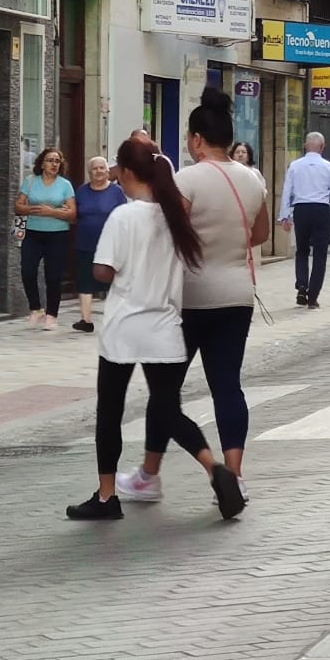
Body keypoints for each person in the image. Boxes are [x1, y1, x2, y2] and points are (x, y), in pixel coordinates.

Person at [67, 137, 245, 523]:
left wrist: (103, 269)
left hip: (123, 328)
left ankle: (107, 496)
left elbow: (104, 271)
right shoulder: (175, 218)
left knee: (110, 411)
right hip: (164, 327)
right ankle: (215, 467)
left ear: (127, 173)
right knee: (167, 409)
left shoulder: (123, 216)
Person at [119, 88, 270, 503]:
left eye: (189, 137)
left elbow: (166, 232)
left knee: (166, 390)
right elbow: (260, 235)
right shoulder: (253, 179)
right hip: (237, 295)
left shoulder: (187, 178)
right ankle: (235, 475)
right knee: (227, 386)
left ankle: (149, 475)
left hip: (187, 298)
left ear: (198, 139)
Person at [279, 131, 330, 308]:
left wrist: (284, 215)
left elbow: (287, 191)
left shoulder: (295, 166)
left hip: (301, 209)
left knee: (301, 250)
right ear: (322, 147)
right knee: (320, 254)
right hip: (321, 209)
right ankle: (313, 296)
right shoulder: (328, 167)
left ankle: (302, 286)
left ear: (305, 146)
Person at [16, 147, 77, 329]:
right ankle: (36, 308)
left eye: (57, 161)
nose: (54, 164)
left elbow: (73, 213)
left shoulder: (65, 185)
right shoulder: (31, 181)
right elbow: (18, 206)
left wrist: (51, 212)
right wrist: (34, 210)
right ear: (42, 163)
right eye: (50, 160)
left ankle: (52, 315)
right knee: (27, 270)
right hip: (33, 232)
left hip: (58, 234)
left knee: (53, 275)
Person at [72, 155, 124, 332]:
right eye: (95, 168)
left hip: (110, 243)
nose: (99, 171)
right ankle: (86, 320)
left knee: (112, 283)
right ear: (89, 172)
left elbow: (123, 216)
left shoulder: (116, 192)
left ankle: (114, 319)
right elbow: (75, 214)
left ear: (108, 171)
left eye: (102, 168)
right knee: (85, 280)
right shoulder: (82, 191)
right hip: (85, 242)